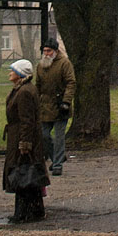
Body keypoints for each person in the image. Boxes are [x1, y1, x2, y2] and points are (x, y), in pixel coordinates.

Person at [4, 59, 48, 223]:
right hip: (21, 135)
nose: (10, 73)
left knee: (23, 173)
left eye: (13, 70)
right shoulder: (24, 90)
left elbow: (26, 120)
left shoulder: (24, 92)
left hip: (21, 137)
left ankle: (24, 212)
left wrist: (24, 143)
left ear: (20, 73)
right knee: (28, 173)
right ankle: (34, 209)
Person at [35, 39, 76, 176]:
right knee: (43, 135)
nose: (46, 53)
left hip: (60, 105)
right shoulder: (41, 65)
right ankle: (56, 157)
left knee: (59, 137)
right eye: (44, 51)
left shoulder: (64, 63)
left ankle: (57, 164)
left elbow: (71, 83)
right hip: (45, 105)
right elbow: (38, 85)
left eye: (49, 51)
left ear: (55, 51)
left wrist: (66, 101)